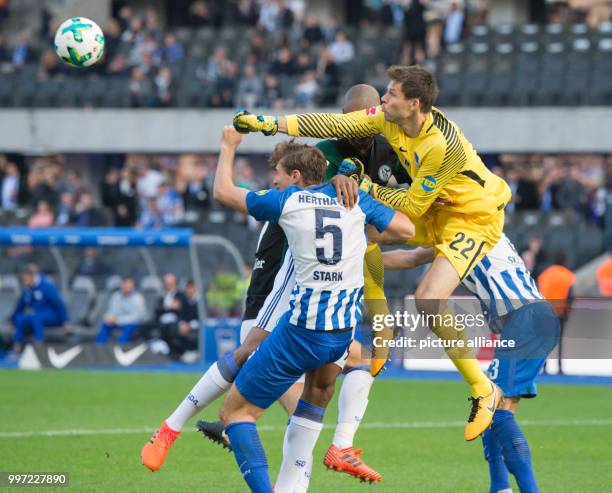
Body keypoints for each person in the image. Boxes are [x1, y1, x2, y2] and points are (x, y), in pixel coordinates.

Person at [233, 64, 511, 441]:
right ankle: (383, 328)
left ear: (413, 104)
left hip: (473, 215)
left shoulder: (440, 147)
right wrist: (271, 123)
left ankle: (483, 390)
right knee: (362, 239)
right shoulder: (387, 119)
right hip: (437, 209)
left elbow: (410, 208)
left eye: (392, 93)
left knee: (428, 299)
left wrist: (362, 185)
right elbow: (333, 124)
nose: (384, 98)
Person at [143, 127, 413, 493]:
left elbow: (223, 192)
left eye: (279, 177)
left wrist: (228, 146)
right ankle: (339, 446)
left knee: (236, 412)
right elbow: (406, 228)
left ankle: (174, 429)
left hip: (299, 327)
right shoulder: (355, 201)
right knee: (310, 408)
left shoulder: (289, 202)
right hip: (339, 332)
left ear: (295, 178)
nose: (276, 182)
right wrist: (367, 205)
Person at [382, 234, 560, 493]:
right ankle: (500, 487)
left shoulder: (467, 232)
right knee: (496, 407)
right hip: (536, 316)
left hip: (524, 318)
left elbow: (413, 258)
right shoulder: (478, 228)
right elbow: (412, 257)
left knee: (494, 411)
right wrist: (360, 257)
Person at [10, 264, 70, 353]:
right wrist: (11, 320)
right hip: (35, 315)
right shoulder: (27, 289)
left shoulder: (47, 286)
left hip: (52, 316)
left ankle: (39, 348)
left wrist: (66, 321)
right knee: (20, 317)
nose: (24, 281)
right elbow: (20, 306)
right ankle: (16, 347)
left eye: (25, 278)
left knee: (37, 318)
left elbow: (59, 304)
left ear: (32, 276)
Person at [537, 252, 575, 375]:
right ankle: (559, 367)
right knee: (559, 341)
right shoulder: (568, 276)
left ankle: (544, 367)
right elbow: (570, 296)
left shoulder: (544, 275)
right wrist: (567, 312)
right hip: (560, 313)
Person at [96, 276, 147, 344]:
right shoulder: (116, 296)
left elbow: (137, 317)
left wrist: (117, 320)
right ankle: (99, 347)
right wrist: (108, 318)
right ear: (121, 285)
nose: (126, 287)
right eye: (125, 285)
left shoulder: (138, 298)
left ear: (133, 287)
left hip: (134, 323)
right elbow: (111, 311)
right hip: (117, 322)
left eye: (129, 286)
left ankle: (121, 348)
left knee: (129, 327)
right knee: (105, 325)